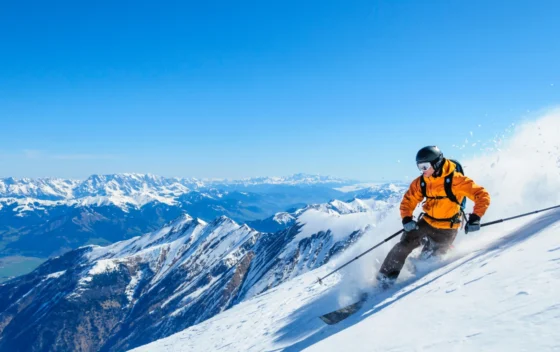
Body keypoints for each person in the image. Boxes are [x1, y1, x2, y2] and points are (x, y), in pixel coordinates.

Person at [376, 146, 491, 288]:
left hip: (447, 229)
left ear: (436, 163)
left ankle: (410, 282)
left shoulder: (456, 180)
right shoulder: (422, 182)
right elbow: (408, 201)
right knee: (402, 246)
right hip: (426, 222)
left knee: (426, 261)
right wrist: (407, 218)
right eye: (419, 167)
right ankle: (383, 281)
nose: (422, 170)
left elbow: (482, 195)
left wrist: (475, 217)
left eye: (425, 166)